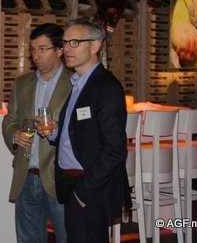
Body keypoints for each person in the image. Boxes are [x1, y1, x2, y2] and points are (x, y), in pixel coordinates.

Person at [51, 19, 128, 243]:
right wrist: (56, 132)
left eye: (75, 42)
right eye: (65, 43)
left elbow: (115, 149)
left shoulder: (105, 87)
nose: (67, 49)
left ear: (94, 46)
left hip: (88, 186)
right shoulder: (78, 82)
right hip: (71, 183)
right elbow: (83, 132)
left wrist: (84, 192)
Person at [2, 23, 71, 243]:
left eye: (43, 49)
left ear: (59, 50)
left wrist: (57, 129)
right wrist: (14, 134)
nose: (36, 56)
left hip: (59, 178)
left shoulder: (75, 83)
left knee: (68, 237)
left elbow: (81, 130)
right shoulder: (22, 83)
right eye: (33, 50)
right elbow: (10, 119)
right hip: (26, 175)